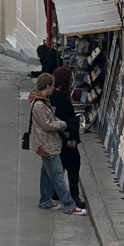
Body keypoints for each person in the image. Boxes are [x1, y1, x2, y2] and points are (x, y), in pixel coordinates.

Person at [27, 74, 86, 214]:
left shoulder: (41, 101)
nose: (53, 88)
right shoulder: (39, 104)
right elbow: (46, 124)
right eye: (52, 86)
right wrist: (62, 124)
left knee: (46, 175)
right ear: (47, 86)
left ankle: (45, 200)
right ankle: (70, 205)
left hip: (46, 144)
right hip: (47, 145)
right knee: (57, 175)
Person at [51, 64, 85, 210]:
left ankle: (56, 192)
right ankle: (74, 195)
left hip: (57, 137)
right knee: (73, 164)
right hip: (66, 137)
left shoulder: (53, 95)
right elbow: (66, 119)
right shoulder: (61, 98)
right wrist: (71, 138)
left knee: (61, 165)